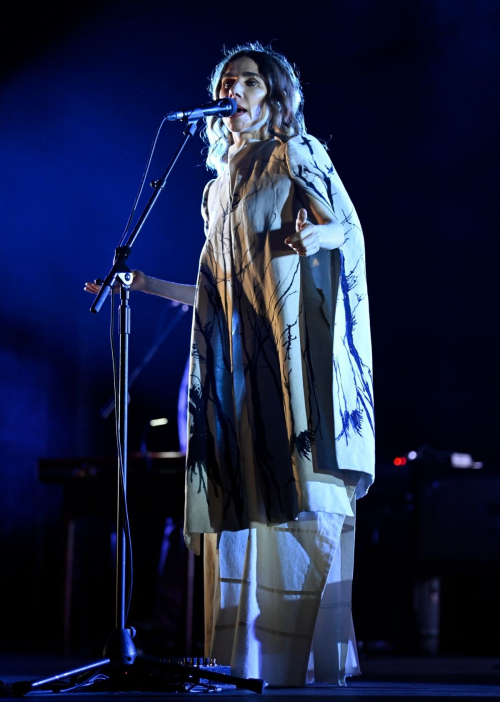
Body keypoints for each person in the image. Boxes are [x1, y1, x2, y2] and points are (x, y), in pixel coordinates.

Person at [86, 42, 374, 687]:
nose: (233, 90)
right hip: (239, 365)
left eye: (246, 81)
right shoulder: (219, 188)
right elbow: (222, 293)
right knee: (244, 495)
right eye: (226, 81)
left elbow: (347, 232)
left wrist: (314, 238)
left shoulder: (296, 154)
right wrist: (145, 283)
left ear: (273, 95)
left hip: (289, 354)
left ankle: (301, 663)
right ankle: (244, 663)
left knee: (297, 492)